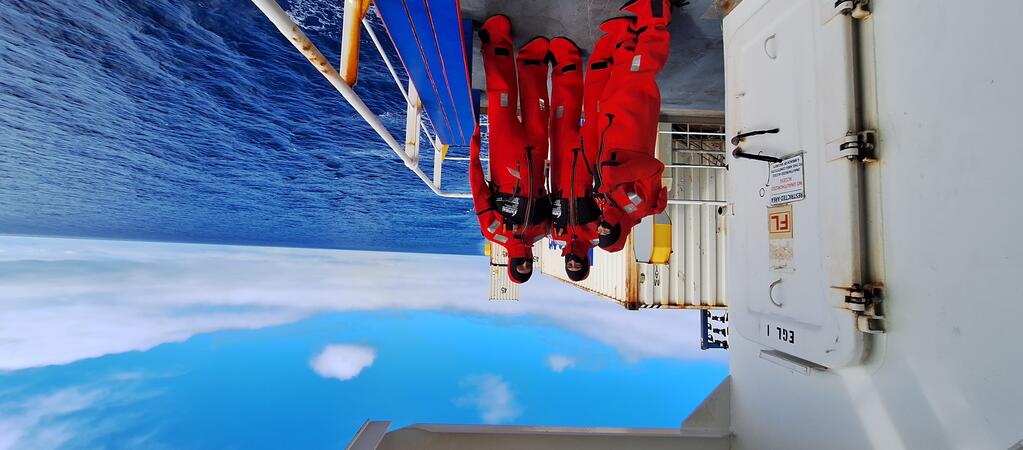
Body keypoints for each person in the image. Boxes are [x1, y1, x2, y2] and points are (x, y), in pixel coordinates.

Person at [469, 15, 551, 283]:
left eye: (520, 268)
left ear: (511, 265)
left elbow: (479, 191)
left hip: (506, 153)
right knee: (539, 107)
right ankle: (532, 61)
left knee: (501, 95)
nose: (525, 263)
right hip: (537, 154)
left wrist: (474, 153)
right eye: (528, 267)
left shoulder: (493, 232)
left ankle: (495, 41)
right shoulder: (542, 231)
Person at [589, 0, 674, 252]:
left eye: (600, 231)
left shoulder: (607, 205)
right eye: (607, 233)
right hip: (635, 128)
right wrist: (617, 176)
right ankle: (656, 15)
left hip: (612, 128)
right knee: (640, 71)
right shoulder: (641, 207)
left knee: (618, 79)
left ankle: (626, 35)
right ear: (620, 233)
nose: (602, 228)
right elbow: (653, 169)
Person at [547, 36, 600, 282]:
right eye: (578, 265)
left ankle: (564, 63)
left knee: (562, 112)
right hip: (586, 171)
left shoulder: (554, 234)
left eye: (570, 266)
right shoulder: (597, 236)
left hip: (558, 168)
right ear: (585, 263)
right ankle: (601, 65)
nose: (573, 262)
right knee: (594, 114)